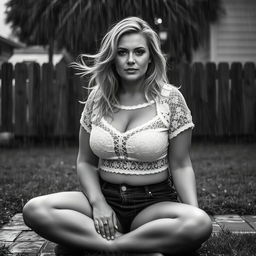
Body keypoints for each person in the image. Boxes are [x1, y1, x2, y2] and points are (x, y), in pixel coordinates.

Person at [22, 17, 212, 255]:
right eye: (122, 52)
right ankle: (132, 248)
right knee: (35, 209)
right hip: (105, 198)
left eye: (139, 52)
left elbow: (181, 165)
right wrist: (98, 203)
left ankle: (104, 246)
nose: (130, 60)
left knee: (200, 222)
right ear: (113, 57)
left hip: (153, 204)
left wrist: (191, 215)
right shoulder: (97, 99)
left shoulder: (171, 100)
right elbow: (85, 162)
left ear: (151, 56)